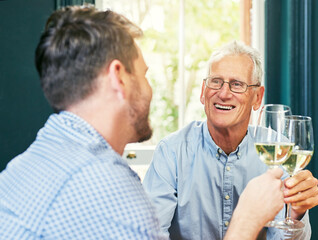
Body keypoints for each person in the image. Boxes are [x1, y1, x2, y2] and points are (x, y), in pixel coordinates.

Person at [0, 6, 287, 240]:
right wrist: (247, 221)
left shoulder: (25, 166)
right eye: (144, 74)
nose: (150, 89)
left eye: (236, 84)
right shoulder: (110, 191)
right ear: (119, 78)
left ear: (256, 96)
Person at [143, 40, 318, 240]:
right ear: (203, 92)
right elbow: (148, 235)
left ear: (257, 97)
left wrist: (296, 212)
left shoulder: (277, 150)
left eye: (237, 84)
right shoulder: (171, 152)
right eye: (216, 81)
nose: (224, 93)